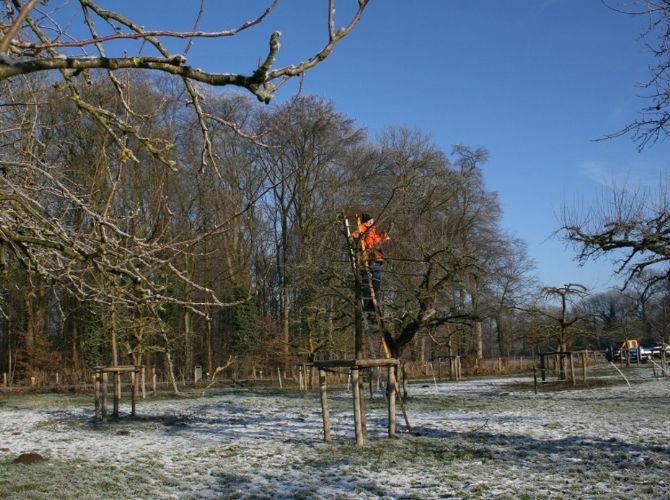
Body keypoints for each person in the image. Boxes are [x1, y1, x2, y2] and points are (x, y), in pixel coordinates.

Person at [350, 213, 390, 312]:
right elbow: (356, 237)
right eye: (371, 220)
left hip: (374, 258)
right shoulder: (363, 229)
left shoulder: (372, 230)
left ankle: (373, 305)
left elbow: (377, 241)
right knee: (371, 282)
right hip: (369, 259)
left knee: (373, 283)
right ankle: (371, 305)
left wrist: (383, 236)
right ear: (368, 221)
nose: (373, 221)